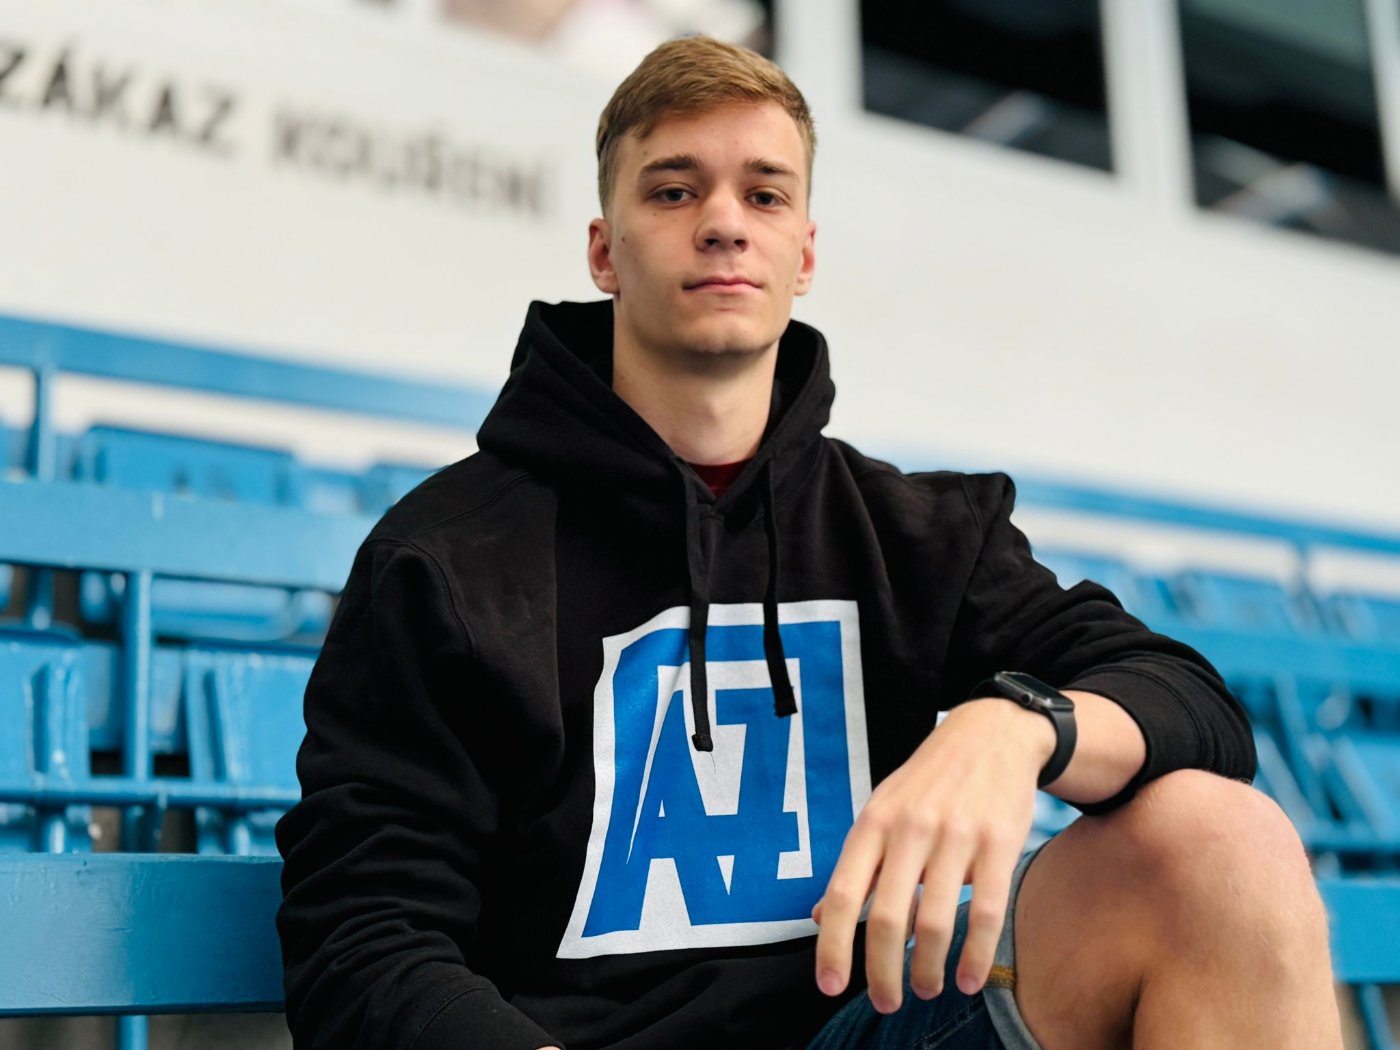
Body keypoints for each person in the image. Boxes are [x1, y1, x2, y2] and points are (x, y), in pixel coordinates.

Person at [276, 35, 1342, 1050]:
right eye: (673, 191)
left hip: (868, 1028)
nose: (723, 224)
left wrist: (1015, 725)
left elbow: (1191, 703)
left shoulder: (911, 534)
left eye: (764, 194)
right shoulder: (446, 559)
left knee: (1221, 845)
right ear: (604, 252)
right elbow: (364, 940)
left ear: (804, 254)